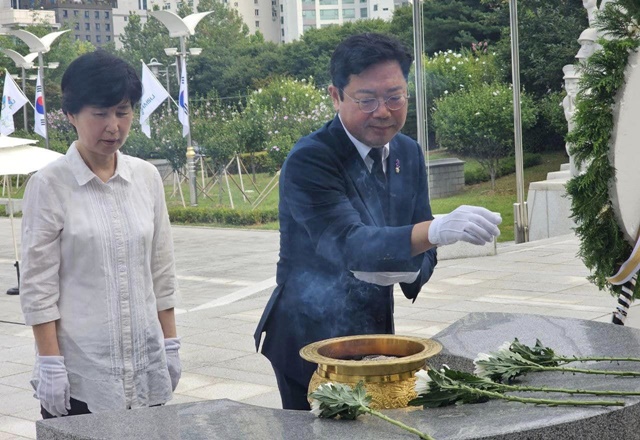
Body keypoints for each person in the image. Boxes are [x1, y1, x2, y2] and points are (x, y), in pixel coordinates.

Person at [253, 33, 501, 410]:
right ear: (336, 96)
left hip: (374, 330)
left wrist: (410, 264)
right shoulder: (312, 158)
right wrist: (435, 231)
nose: (383, 111)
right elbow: (348, 241)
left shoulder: (408, 151)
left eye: (395, 97)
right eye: (366, 100)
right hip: (312, 337)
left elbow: (421, 241)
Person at [19, 50, 181, 418]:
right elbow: (37, 284)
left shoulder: (146, 177)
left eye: (123, 112)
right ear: (71, 115)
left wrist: (170, 342)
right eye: (100, 114)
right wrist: (50, 364)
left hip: (145, 362)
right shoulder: (50, 184)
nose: (113, 126)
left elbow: (161, 270)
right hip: (82, 374)